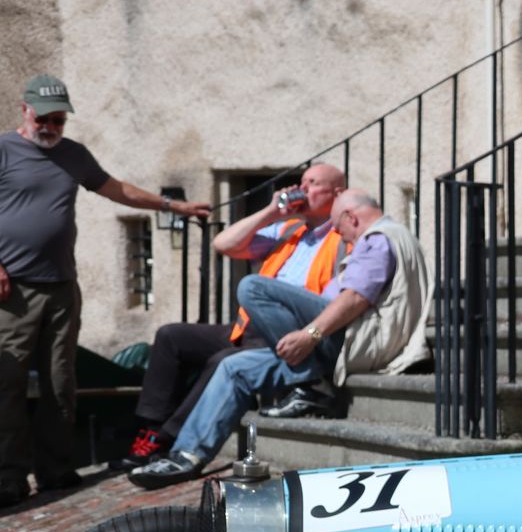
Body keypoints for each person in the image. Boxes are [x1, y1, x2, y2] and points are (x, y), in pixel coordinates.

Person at [0, 74, 211, 508]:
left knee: (61, 381)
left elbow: (118, 190)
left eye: (59, 120)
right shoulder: (4, 149)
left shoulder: (74, 155)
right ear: (25, 110)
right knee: (8, 383)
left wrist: (173, 205)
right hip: (12, 288)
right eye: (44, 118)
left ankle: (55, 470)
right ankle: (9, 477)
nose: (51, 127)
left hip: (61, 286)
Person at [131, 189, 430, 488]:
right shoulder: (390, 236)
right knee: (234, 367)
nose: (343, 238)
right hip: (342, 339)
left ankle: (313, 383)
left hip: (353, 340)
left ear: (351, 217)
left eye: (340, 229)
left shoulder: (377, 239)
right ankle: (187, 455)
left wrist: (310, 334)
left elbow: (354, 298)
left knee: (252, 287)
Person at [113, 163, 349, 470]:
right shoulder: (289, 229)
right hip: (247, 326)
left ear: (337, 193)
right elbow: (223, 243)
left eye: (312, 183)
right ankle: (151, 429)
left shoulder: (344, 235)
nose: (302, 189)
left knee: (224, 359)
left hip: (285, 328)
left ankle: (169, 438)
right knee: (171, 336)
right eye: (301, 182)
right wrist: (271, 212)